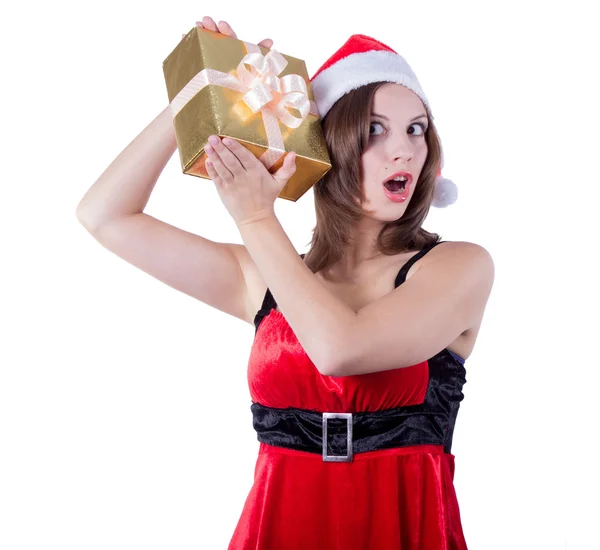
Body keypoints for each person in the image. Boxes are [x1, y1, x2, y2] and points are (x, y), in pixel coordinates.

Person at [76, 16, 495, 550]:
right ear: (324, 146)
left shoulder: (457, 267)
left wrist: (256, 220)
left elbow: (341, 349)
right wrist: (199, 91)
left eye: (416, 128)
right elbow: (104, 216)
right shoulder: (267, 279)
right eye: (374, 130)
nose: (405, 150)